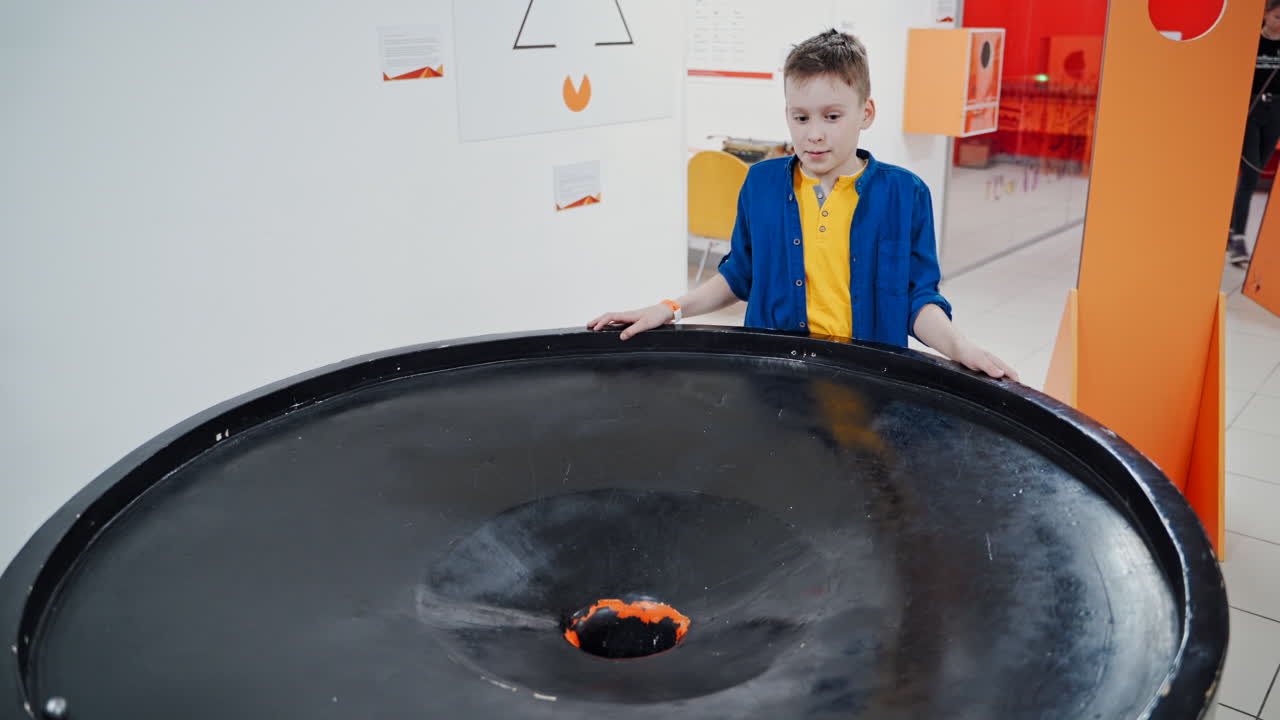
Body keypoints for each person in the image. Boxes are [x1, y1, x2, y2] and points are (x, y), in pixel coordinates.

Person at [588, 29, 1017, 381]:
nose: (814, 134)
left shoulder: (907, 195)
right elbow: (739, 274)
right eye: (801, 117)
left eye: (832, 117)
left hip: (868, 383)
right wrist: (670, 309)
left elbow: (916, 299)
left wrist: (962, 347)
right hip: (774, 379)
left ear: (865, 113)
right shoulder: (761, 184)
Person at [1229, 0, 1280, 267]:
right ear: (1266, 14)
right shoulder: (1250, 42)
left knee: (1255, 172)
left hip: (1276, 115)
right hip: (1250, 112)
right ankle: (1238, 238)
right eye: (1278, 17)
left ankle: (1230, 230)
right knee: (1249, 174)